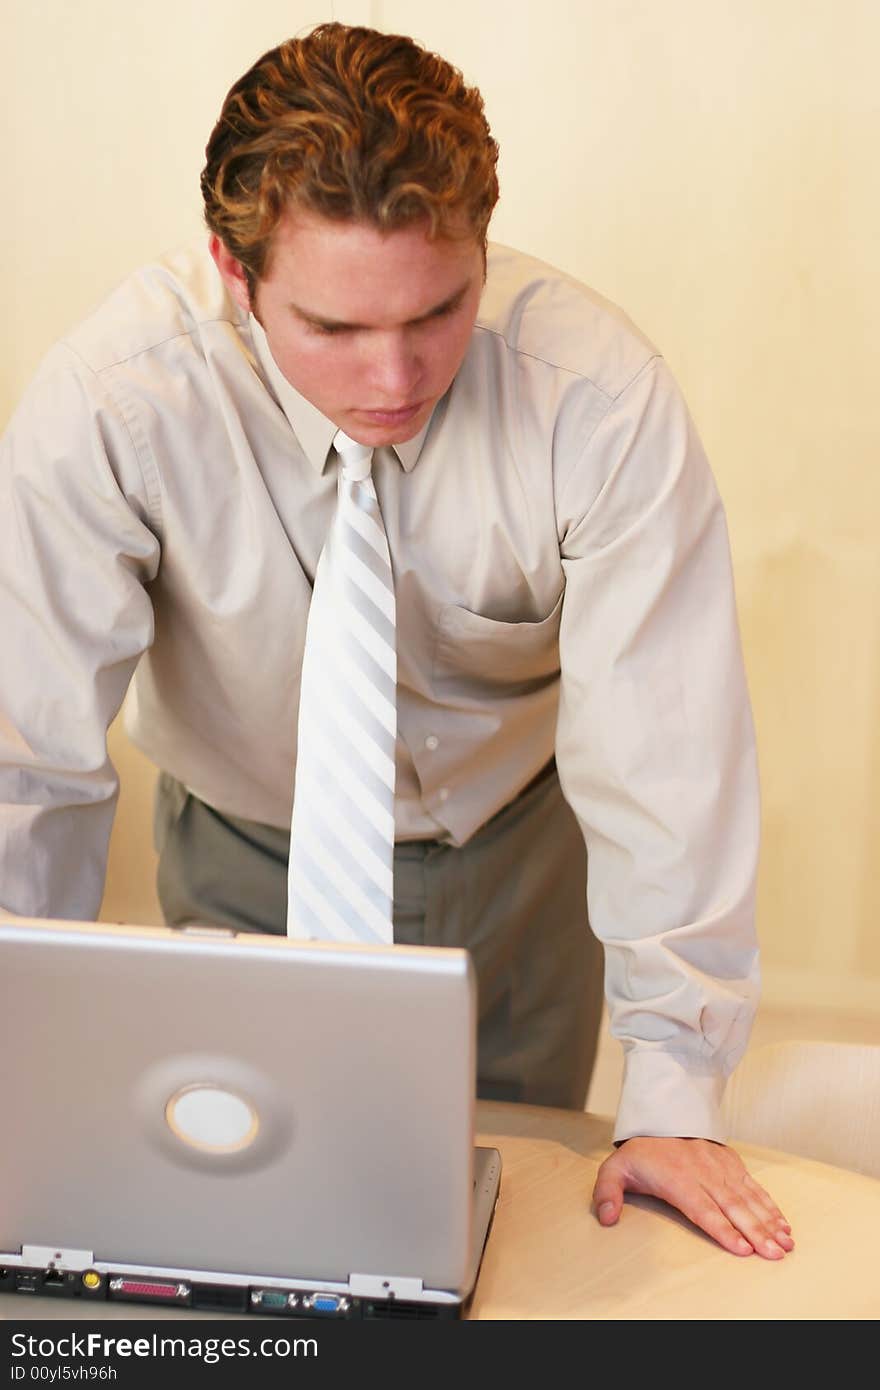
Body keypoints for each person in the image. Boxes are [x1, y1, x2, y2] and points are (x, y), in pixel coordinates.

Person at [0, 22, 793, 1260]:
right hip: (242, 849)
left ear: (481, 242)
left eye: (439, 308)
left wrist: (675, 1096)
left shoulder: (594, 397)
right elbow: (26, 762)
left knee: (503, 1241)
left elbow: (667, 752)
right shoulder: (113, 402)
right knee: (244, 1232)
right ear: (233, 266)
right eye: (332, 327)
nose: (395, 374)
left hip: (520, 861)